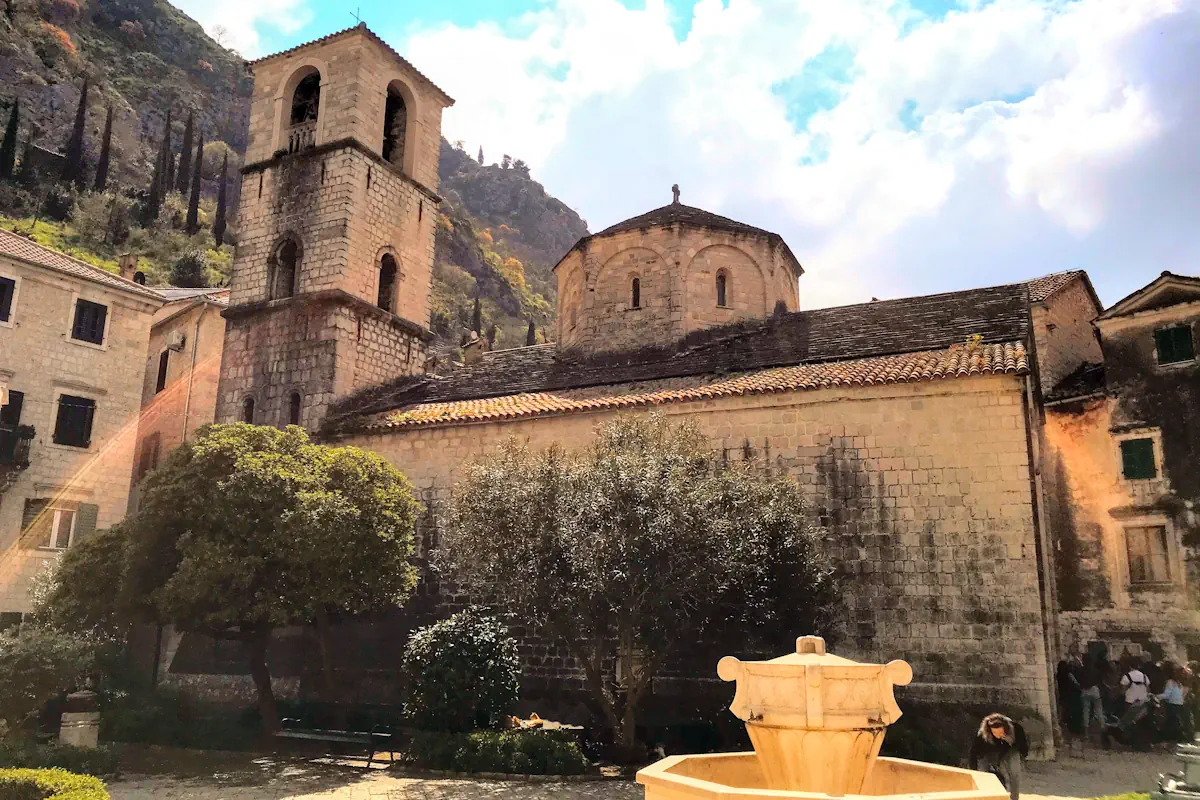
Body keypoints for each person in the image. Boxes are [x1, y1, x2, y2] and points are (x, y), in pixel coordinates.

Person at [969, 712, 1029, 800]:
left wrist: (1010, 741)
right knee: (982, 774)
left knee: (1015, 772)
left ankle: (1014, 798)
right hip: (987, 752)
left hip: (1009, 750)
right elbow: (974, 751)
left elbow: (1023, 745)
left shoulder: (1016, 729)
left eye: (1000, 732)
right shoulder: (982, 734)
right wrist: (973, 769)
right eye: (995, 732)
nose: (997, 735)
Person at [1078, 655, 1105, 742]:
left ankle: (1086, 734)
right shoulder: (1096, 671)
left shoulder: (1081, 670)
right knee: (1099, 710)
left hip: (1085, 691)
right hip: (1094, 690)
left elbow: (1079, 680)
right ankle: (1103, 731)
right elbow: (1099, 680)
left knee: (1086, 711)